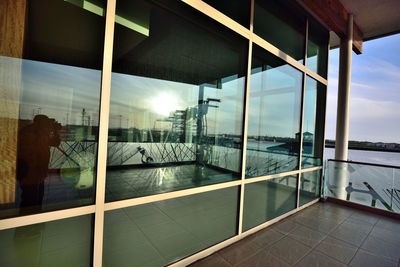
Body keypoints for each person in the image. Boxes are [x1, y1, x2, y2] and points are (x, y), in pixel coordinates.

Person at [16, 114, 61, 214]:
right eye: (47, 123)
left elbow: (55, 143)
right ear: (41, 123)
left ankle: (32, 224)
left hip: (37, 174)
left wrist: (54, 131)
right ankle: (28, 225)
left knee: (33, 201)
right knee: (30, 202)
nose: (48, 125)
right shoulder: (34, 133)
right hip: (31, 174)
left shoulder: (33, 131)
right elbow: (53, 143)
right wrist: (54, 131)